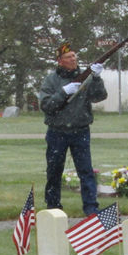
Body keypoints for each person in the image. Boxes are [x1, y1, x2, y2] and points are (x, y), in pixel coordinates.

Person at [38, 42, 107, 217]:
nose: (73, 59)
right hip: (57, 131)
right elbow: (46, 105)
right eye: (69, 57)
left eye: (75, 56)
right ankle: (53, 208)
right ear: (60, 61)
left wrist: (97, 78)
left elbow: (99, 96)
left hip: (80, 130)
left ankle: (91, 209)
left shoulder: (86, 77)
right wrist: (64, 92)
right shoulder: (51, 80)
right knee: (54, 171)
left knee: (86, 171)